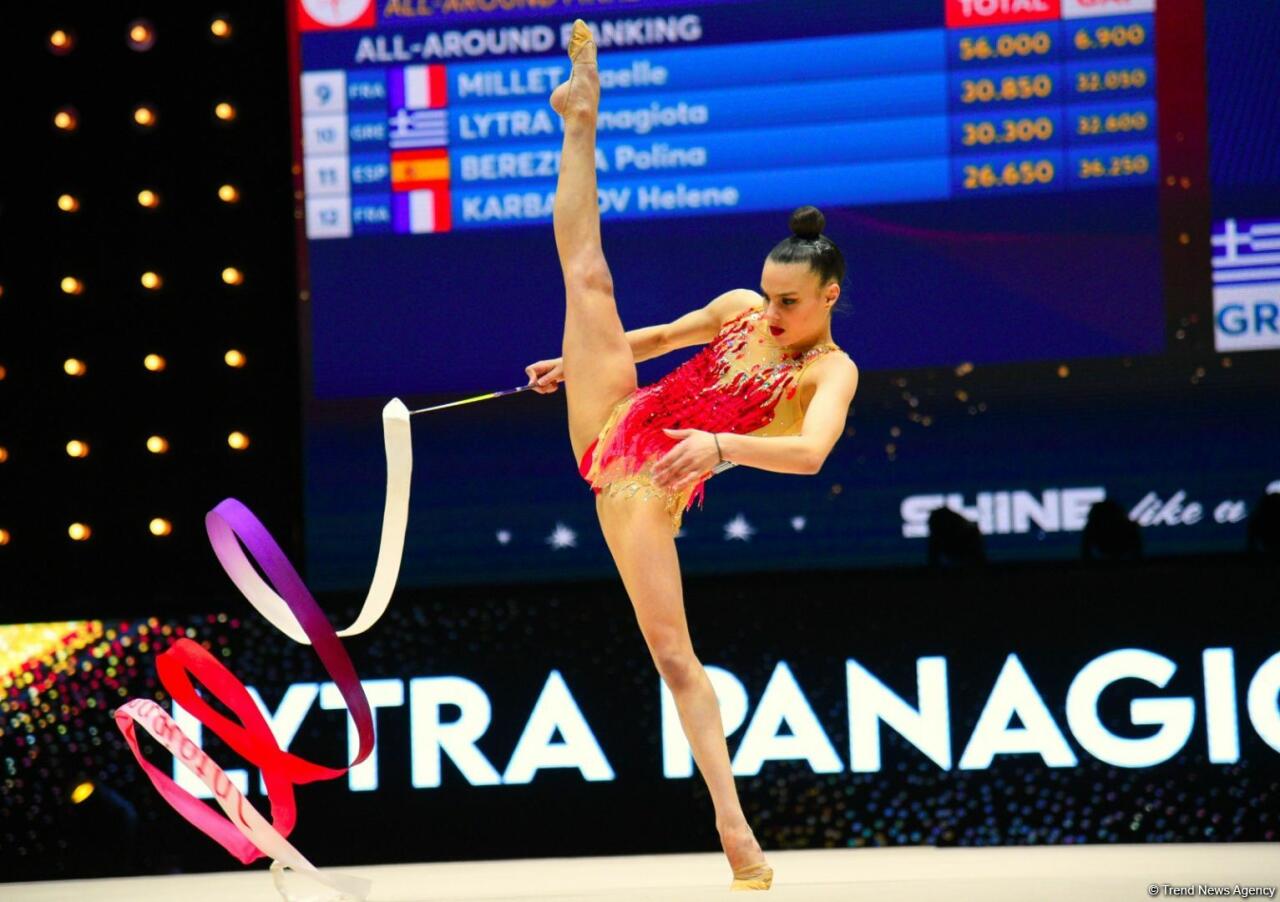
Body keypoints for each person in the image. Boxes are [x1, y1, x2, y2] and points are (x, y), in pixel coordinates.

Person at [524, 20, 859, 892]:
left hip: (651, 480)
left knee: (673, 654)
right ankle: (581, 114)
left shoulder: (829, 371)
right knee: (588, 279)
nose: (772, 313)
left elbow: (810, 455)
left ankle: (732, 824)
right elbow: (662, 337)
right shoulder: (742, 306)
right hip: (618, 413)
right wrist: (579, 357)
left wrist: (718, 446)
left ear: (829, 296)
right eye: (771, 295)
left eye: (791, 302)